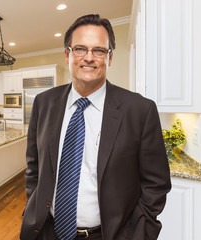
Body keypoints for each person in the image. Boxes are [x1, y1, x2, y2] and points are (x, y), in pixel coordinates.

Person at [20, 14, 171, 240]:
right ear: (67, 55)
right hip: (46, 231)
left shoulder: (140, 110)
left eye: (99, 50)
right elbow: (34, 166)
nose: (89, 58)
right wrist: (34, 207)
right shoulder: (44, 103)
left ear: (109, 58)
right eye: (80, 49)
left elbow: (156, 184)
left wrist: (139, 233)